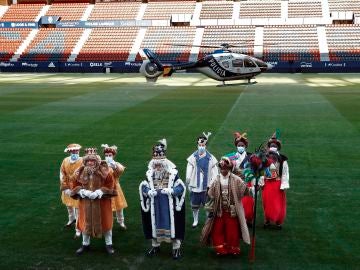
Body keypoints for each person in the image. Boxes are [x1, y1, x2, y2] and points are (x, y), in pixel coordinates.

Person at [139, 139, 186, 259]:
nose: (157, 166)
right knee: (154, 223)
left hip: (169, 205)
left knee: (173, 225)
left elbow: (181, 187)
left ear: (164, 163)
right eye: (155, 164)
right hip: (155, 205)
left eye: (159, 164)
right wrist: (148, 191)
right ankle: (155, 245)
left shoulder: (173, 174)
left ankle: (176, 248)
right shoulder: (149, 174)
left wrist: (172, 191)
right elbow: (144, 186)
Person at [200, 157, 253, 256]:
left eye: (225, 168)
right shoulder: (215, 179)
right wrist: (209, 191)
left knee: (232, 231)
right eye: (221, 169)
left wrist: (254, 188)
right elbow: (210, 193)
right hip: (219, 211)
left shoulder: (236, 179)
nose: (223, 170)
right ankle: (220, 248)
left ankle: (233, 249)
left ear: (229, 168)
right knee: (217, 230)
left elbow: (245, 190)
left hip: (232, 211)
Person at [70, 148, 117, 255]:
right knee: (84, 223)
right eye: (88, 161)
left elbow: (111, 184)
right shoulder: (79, 171)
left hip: (102, 203)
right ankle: (85, 244)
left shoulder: (105, 171)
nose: (90, 162)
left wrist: (100, 192)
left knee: (106, 223)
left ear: (97, 161)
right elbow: (74, 184)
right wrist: (82, 192)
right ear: (85, 161)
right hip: (85, 203)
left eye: (93, 160)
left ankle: (109, 244)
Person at [186, 132, 218, 228]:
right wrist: (188, 178)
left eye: (203, 145)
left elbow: (215, 171)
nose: (201, 147)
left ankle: (208, 221)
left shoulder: (210, 158)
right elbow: (189, 167)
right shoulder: (193, 157)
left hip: (206, 186)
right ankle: (195, 220)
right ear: (197, 145)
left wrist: (213, 182)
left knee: (207, 206)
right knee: (194, 206)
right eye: (199, 145)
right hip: (195, 185)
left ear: (205, 146)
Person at [261, 132, 289, 229]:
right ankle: (267, 220)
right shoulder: (264, 157)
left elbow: (285, 173)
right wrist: (261, 182)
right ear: (269, 146)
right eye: (271, 145)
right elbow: (261, 171)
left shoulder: (282, 159)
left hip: (277, 183)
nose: (273, 146)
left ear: (278, 147)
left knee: (278, 203)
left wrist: (284, 185)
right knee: (266, 202)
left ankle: (278, 221)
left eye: (275, 145)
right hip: (267, 183)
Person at [226, 132, 254, 226]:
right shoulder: (231, 157)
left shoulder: (251, 157)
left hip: (247, 182)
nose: (240, 147)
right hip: (236, 182)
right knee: (236, 202)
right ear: (236, 146)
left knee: (248, 202)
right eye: (239, 145)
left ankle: (248, 218)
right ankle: (237, 218)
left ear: (245, 146)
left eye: (242, 145)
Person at [101, 144, 128, 230]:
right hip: (105, 189)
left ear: (113, 156)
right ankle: (106, 223)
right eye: (106, 155)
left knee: (119, 206)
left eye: (110, 155)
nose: (108, 157)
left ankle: (121, 222)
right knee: (105, 207)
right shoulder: (101, 164)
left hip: (115, 187)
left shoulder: (116, 164)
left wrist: (115, 167)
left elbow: (120, 171)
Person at [60, 143, 82, 237]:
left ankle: (78, 228)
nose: (75, 153)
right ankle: (71, 219)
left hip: (77, 187)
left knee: (77, 208)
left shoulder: (82, 161)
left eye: (76, 151)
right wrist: (64, 187)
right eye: (73, 151)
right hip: (67, 186)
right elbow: (62, 173)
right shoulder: (65, 160)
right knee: (69, 206)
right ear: (69, 152)